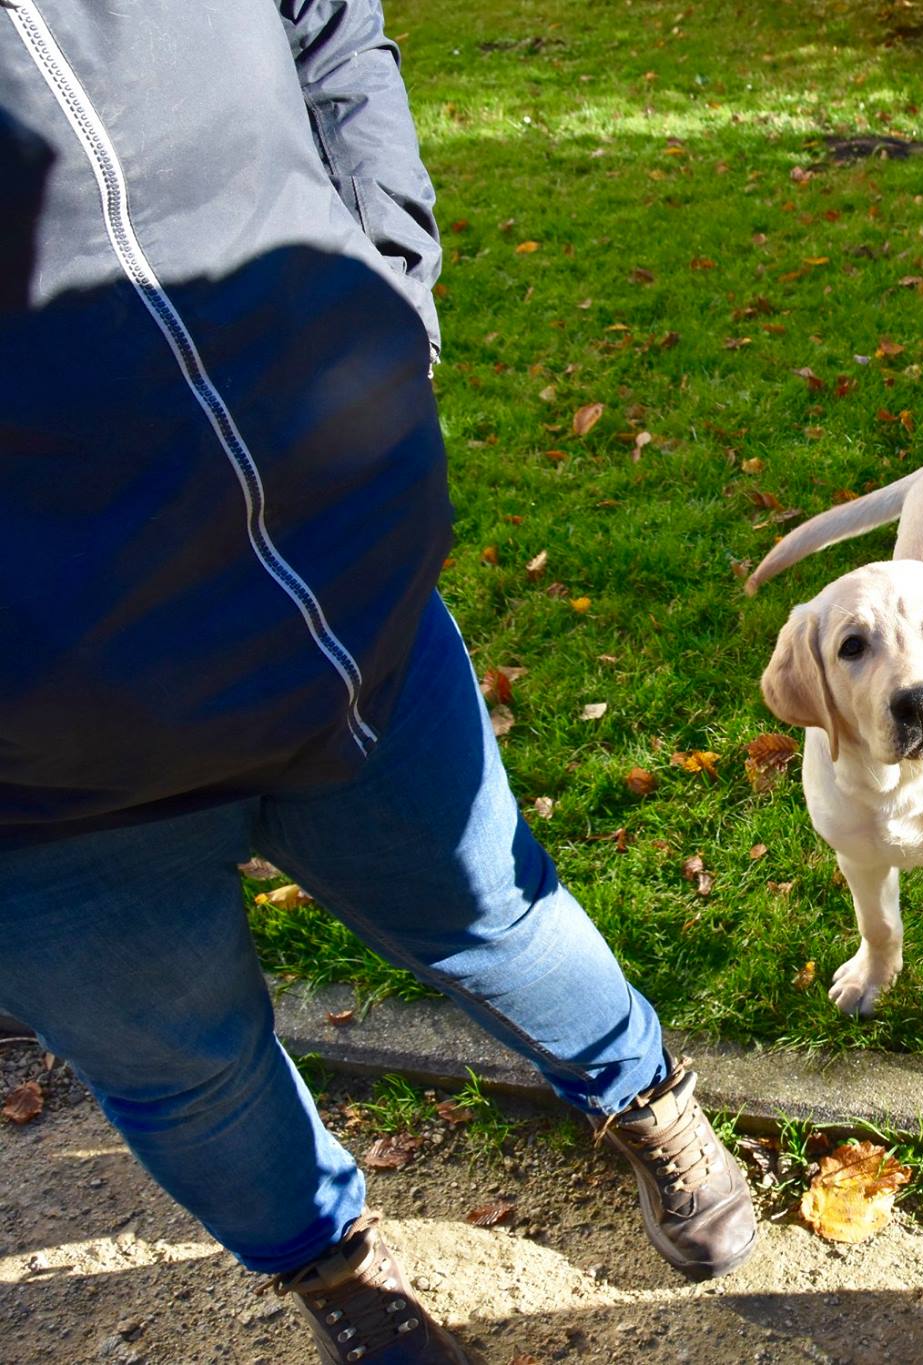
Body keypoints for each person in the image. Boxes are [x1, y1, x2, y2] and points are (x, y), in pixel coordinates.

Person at [0, 3, 755, 1361]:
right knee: (193, 1076)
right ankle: (334, 1273)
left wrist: (390, 279)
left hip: (347, 611)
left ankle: (646, 1094)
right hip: (48, 783)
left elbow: (331, 28)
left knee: (507, 916)